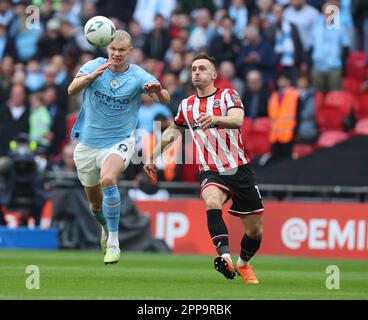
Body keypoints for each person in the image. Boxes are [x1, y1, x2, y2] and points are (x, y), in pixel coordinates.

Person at [144, 54, 264, 284]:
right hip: (210, 169)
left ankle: (244, 264)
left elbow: (238, 120)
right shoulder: (186, 105)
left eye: (202, 68)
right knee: (211, 201)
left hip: (238, 168)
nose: (196, 72)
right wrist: (152, 155)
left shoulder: (228, 95)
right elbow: (174, 130)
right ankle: (226, 258)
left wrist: (215, 119)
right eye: (193, 69)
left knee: (255, 232)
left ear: (213, 75)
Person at [68, 30, 170, 265]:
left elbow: (164, 98)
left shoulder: (137, 75)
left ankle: (114, 241)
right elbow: (72, 89)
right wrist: (90, 77)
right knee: (94, 205)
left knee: (108, 179)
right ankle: (104, 227)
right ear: (107, 48)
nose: (116, 53)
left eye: (122, 50)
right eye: (113, 49)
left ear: (130, 52)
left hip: (119, 140)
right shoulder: (94, 66)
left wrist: (157, 92)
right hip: (88, 144)